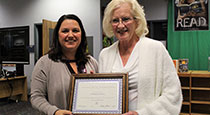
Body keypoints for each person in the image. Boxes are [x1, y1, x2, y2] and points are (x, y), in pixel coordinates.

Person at [99, 0, 183, 115]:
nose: (120, 25)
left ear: (137, 21)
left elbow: (173, 93)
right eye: (115, 20)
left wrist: (141, 113)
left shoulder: (156, 49)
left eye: (126, 19)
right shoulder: (105, 54)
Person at [30, 14, 98, 115]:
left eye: (75, 31)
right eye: (65, 31)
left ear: (82, 35)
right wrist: (54, 111)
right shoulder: (44, 63)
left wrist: (96, 86)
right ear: (57, 35)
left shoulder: (92, 62)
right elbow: (36, 97)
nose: (70, 35)